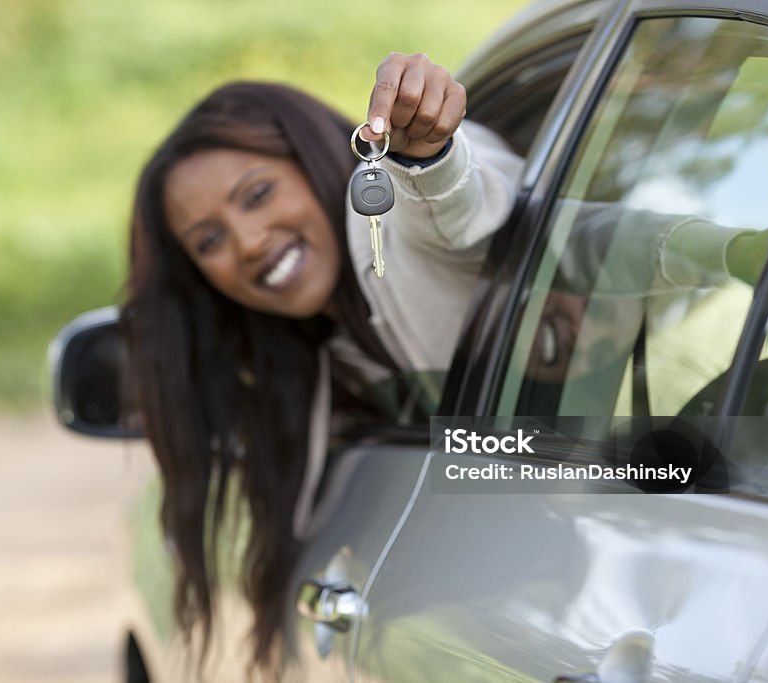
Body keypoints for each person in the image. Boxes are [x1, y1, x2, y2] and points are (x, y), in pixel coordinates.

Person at [121, 52, 523, 675]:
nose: (248, 242)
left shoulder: (388, 231)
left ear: (316, 158)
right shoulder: (317, 365)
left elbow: (458, 213)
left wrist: (426, 160)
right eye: (209, 241)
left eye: (257, 195)